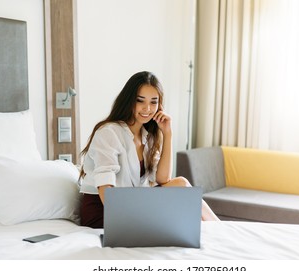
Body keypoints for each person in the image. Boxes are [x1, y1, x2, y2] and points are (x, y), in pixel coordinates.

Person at [78, 71, 219, 228]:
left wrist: (168, 134)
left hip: (132, 203)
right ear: (129, 100)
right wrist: (133, 219)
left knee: (182, 184)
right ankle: (217, 232)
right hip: (104, 209)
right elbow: (106, 188)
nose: (147, 108)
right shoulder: (109, 132)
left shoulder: (148, 136)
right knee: (177, 213)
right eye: (140, 101)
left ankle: (219, 230)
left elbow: (162, 179)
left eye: (154, 102)